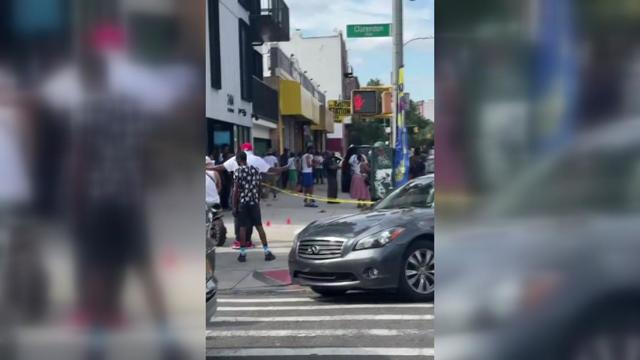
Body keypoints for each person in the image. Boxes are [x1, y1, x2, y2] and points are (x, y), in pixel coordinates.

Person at [208, 143, 286, 249]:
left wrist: (234, 205)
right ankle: (258, 246)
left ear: (239, 157)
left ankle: (240, 244)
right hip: (253, 199)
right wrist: (283, 168)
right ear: (251, 150)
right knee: (256, 224)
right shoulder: (256, 165)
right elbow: (269, 173)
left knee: (240, 223)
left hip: (241, 199)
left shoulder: (238, 170)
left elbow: (223, 169)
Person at [232, 151, 276, 263]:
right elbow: (259, 187)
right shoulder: (255, 170)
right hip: (254, 203)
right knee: (259, 226)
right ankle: (267, 252)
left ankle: (242, 254)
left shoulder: (238, 172)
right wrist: (258, 199)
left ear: (239, 160)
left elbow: (236, 191)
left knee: (242, 227)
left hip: (243, 203)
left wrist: (234, 206)